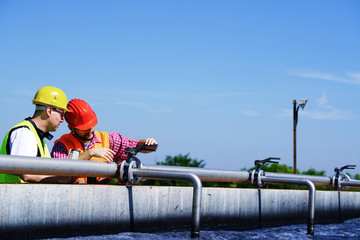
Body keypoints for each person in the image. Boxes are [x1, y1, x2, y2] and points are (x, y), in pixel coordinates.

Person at [51, 98, 158, 184]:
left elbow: (135, 146)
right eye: (85, 128)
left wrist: (148, 143)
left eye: (91, 125)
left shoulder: (110, 140)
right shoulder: (61, 146)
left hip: (101, 200)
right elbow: (60, 175)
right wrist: (89, 153)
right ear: (71, 128)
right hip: (71, 201)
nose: (90, 130)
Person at [0, 86, 72, 183]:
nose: (62, 120)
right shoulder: (24, 133)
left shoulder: (38, 136)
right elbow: (26, 173)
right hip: (12, 196)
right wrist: (59, 179)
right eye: (61, 114)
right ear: (49, 111)